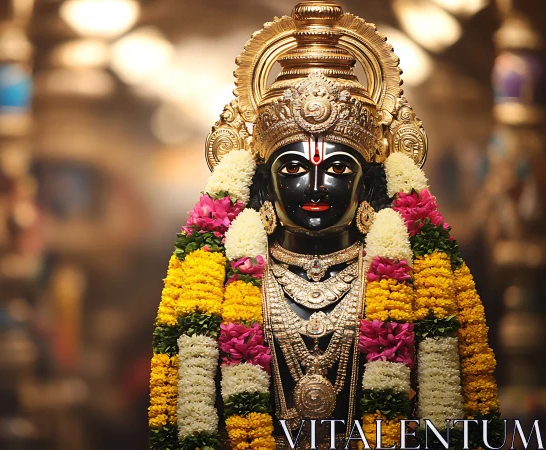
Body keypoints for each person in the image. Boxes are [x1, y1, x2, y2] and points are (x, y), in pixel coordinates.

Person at [147, 1, 501, 449]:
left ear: (367, 180)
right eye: (293, 169)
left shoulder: (414, 276)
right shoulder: (223, 276)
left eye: (337, 168)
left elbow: (452, 417)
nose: (316, 184)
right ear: (264, 180)